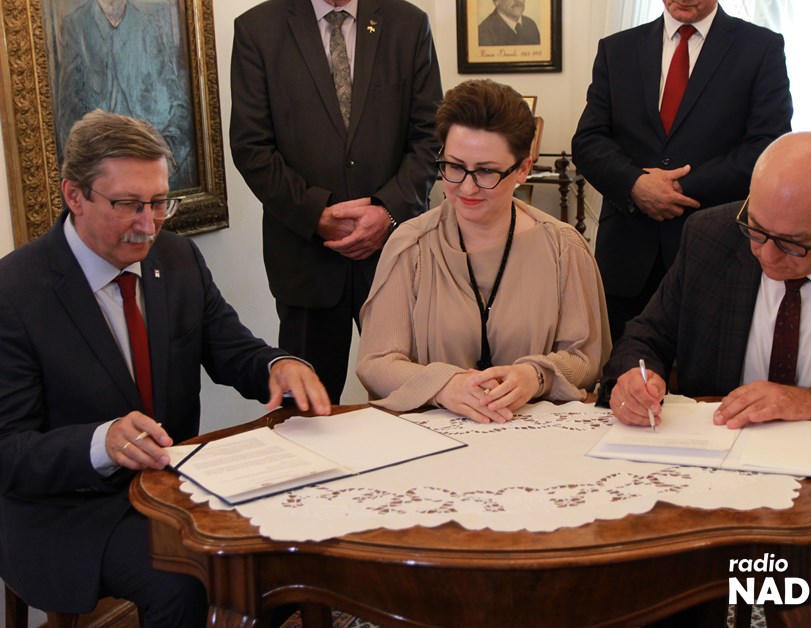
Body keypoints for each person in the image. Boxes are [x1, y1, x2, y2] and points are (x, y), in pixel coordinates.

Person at [0, 111, 331, 626]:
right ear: (74, 196)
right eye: (129, 204)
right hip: (69, 508)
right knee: (187, 582)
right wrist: (101, 442)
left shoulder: (176, 259)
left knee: (290, 546)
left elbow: (232, 350)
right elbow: (9, 449)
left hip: (171, 486)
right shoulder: (15, 291)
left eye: (159, 202)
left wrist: (279, 364)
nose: (148, 224)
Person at [601, 132, 811, 624]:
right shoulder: (710, 236)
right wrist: (638, 376)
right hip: (711, 470)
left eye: (792, 244)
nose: (765, 255)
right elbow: (644, 336)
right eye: (757, 230)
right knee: (651, 584)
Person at [356, 79, 610, 423]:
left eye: (486, 171)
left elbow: (586, 359)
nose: (467, 187)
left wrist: (536, 376)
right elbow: (376, 363)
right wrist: (443, 385)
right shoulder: (411, 246)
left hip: (534, 436)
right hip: (433, 438)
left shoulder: (564, 248)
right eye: (454, 166)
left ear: (523, 168)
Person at [230, 0, 443, 403]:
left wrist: (388, 211)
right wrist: (316, 215)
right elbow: (251, 147)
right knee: (310, 411)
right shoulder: (257, 29)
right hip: (306, 261)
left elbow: (431, 137)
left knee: (415, 402)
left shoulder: (409, 24)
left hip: (395, 255)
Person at [571, 0, 792, 341]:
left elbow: (767, 147)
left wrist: (678, 187)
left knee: (709, 369)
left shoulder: (760, 47)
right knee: (625, 365)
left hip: (716, 248)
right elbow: (588, 141)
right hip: (628, 253)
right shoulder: (617, 49)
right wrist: (635, 184)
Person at [55, 0, 196, 189]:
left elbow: (181, 110)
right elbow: (67, 116)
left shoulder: (147, 29)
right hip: (103, 184)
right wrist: (99, 176)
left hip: (151, 179)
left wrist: (163, 160)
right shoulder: (74, 26)